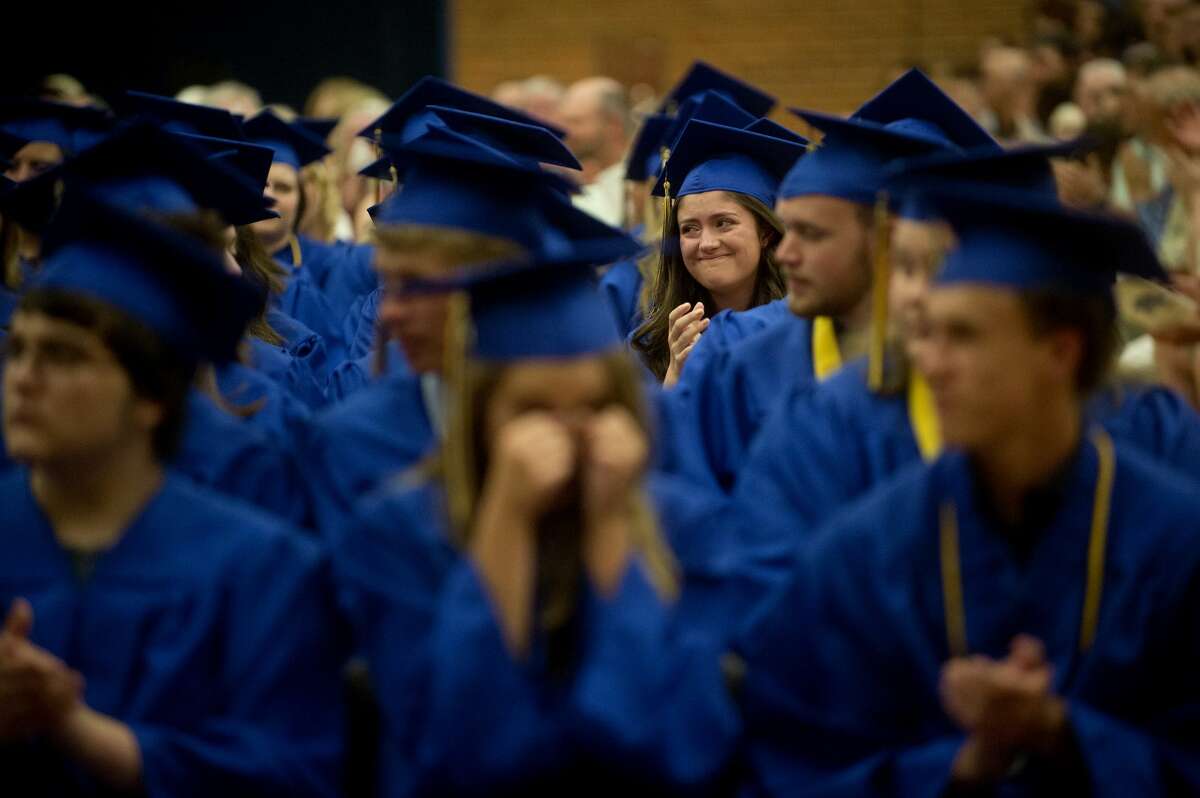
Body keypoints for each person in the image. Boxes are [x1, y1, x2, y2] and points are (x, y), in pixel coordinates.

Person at [737, 183, 1200, 796]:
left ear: (1061, 351)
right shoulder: (865, 551)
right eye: (926, 334)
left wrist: (1063, 735)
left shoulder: (1178, 542)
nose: (930, 361)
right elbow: (792, 757)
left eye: (965, 336)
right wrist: (957, 768)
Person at [333, 237, 751, 796]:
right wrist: (505, 520)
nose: (570, 432)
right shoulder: (401, 531)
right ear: (480, 415)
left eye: (595, 408)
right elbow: (462, 755)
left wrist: (612, 533)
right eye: (532, 410)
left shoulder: (687, 528)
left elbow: (677, 751)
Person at [0, 191, 345, 795]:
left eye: (63, 356)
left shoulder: (263, 570)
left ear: (153, 396)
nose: (25, 379)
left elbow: (291, 773)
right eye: (19, 349)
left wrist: (73, 728)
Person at [658, 69, 997, 492]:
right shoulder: (736, 349)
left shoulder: (993, 372)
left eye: (812, 234)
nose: (787, 253)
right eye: (689, 228)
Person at [631, 119, 804, 384]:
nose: (707, 243)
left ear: (766, 232)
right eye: (690, 229)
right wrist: (675, 375)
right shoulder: (650, 344)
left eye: (723, 223)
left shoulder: (806, 328)